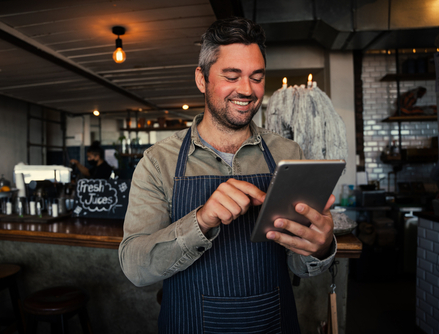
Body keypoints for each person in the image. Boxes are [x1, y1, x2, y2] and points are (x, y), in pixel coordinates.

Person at [119, 17, 336, 333]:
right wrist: (202, 221)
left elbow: (299, 264)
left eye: (257, 77)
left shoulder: (288, 154)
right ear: (201, 79)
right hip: (189, 323)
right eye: (232, 76)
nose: (247, 90)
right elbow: (135, 266)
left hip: (273, 323)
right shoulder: (158, 162)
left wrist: (320, 247)